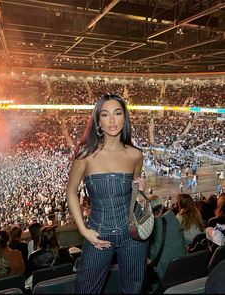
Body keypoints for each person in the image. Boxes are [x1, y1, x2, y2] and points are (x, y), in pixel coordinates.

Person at [66, 94, 147, 294]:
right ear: (98, 121)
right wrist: (84, 231)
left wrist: (140, 189)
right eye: (105, 114)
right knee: (85, 289)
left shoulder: (135, 155)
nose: (112, 120)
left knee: (133, 289)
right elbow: (71, 191)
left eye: (117, 113)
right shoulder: (85, 155)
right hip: (98, 234)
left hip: (132, 234)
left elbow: (135, 192)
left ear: (124, 118)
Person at [148, 195, 187, 291]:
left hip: (163, 276)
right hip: (183, 270)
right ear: (161, 208)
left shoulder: (149, 228)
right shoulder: (172, 218)